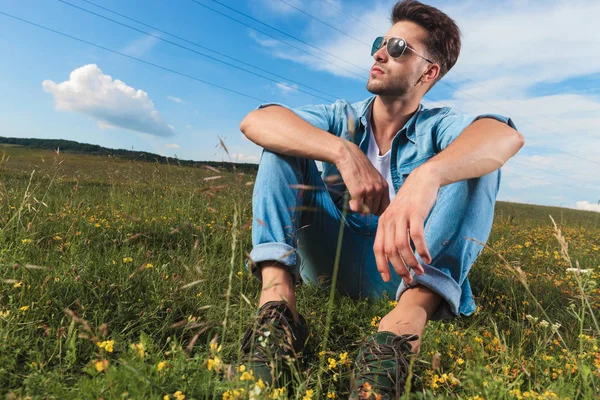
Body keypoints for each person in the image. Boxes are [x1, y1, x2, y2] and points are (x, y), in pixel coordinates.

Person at [238, 0, 524, 398]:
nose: (379, 53)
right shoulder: (343, 117)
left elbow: (503, 136)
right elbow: (257, 120)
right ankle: (278, 310)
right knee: (283, 144)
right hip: (330, 257)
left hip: (405, 270)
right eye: (380, 43)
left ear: (429, 71)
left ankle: (398, 334)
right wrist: (342, 151)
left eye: (398, 48)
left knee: (478, 165)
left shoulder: (438, 125)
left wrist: (428, 175)